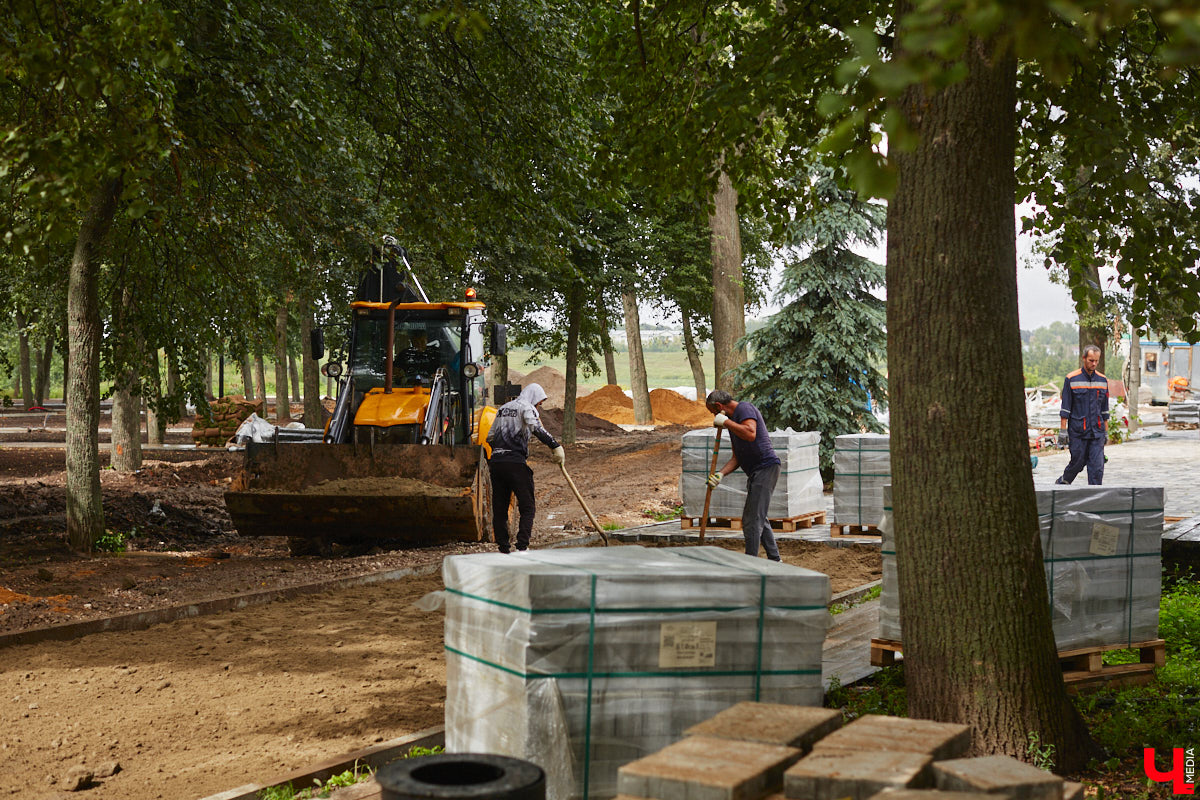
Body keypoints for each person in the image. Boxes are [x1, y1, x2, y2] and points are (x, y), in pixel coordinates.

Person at [485, 383, 565, 553]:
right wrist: (555, 446)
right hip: (516, 464)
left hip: (497, 463)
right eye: (539, 402)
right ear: (534, 397)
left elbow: (490, 436)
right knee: (528, 506)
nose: (540, 405)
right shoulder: (526, 407)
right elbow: (536, 428)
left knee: (500, 507)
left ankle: (503, 548)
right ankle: (522, 546)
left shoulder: (503, 408)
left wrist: (501, 452)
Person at [704, 389, 782, 561]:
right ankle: (775, 559)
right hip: (756, 471)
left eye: (713, 413)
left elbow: (750, 433)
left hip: (766, 468)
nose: (714, 417)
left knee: (751, 520)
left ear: (719, 406)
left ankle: (750, 562)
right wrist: (720, 475)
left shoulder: (744, 409)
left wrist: (726, 422)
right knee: (759, 517)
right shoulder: (732, 421)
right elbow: (737, 457)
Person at [1055, 345, 1109, 486]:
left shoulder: (1102, 381)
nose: (1094, 364)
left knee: (1097, 468)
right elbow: (1065, 407)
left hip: (1097, 432)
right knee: (1078, 462)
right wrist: (1062, 431)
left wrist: (1106, 431)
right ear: (1084, 358)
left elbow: (1105, 410)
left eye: (1097, 361)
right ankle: (1063, 482)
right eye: (1091, 360)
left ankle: (1095, 499)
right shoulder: (1071, 379)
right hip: (1078, 431)